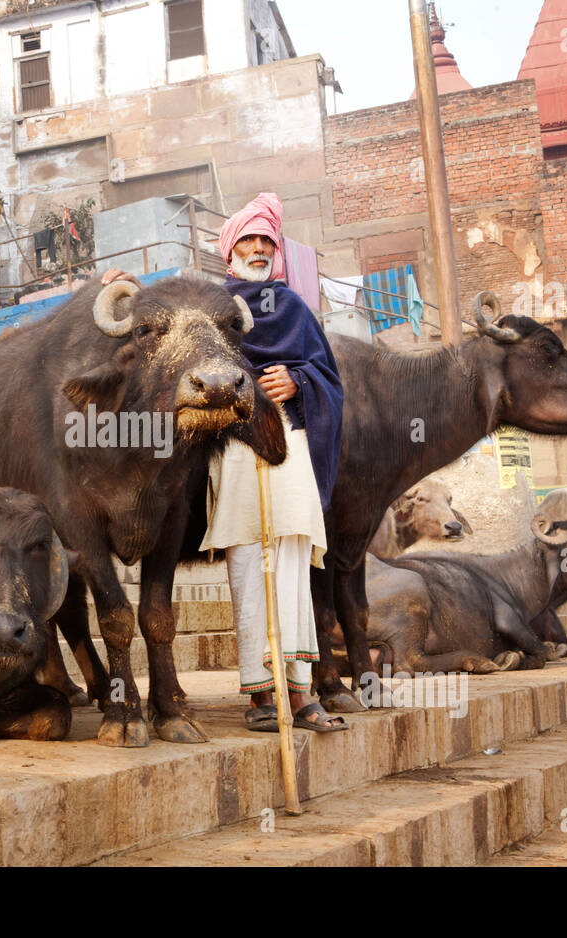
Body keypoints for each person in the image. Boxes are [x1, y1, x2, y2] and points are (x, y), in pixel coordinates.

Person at [201, 192, 346, 732]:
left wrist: (299, 381)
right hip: (237, 442)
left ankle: (301, 692)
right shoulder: (212, 308)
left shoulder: (295, 309)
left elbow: (331, 380)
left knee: (289, 553)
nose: (259, 248)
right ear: (230, 249)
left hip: (290, 438)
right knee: (247, 557)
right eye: (249, 240)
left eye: (267, 241)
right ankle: (262, 697)